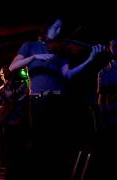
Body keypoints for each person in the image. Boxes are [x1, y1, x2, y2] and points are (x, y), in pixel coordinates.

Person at [8, 17, 106, 179]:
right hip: (40, 101)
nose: (60, 31)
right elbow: (13, 66)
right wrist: (34, 58)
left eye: (61, 28)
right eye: (57, 27)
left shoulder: (60, 50)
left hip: (60, 101)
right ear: (47, 28)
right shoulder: (30, 46)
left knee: (59, 145)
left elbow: (67, 75)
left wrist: (90, 59)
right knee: (41, 145)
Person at [0, 66, 29, 180]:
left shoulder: (22, 85)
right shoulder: (1, 89)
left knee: (20, 148)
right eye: (2, 73)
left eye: (5, 73)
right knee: (9, 149)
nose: (3, 75)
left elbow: (24, 101)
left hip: (19, 120)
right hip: (7, 122)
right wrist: (3, 111)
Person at [95, 39, 117, 179]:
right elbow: (100, 95)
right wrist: (101, 116)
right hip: (109, 116)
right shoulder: (103, 71)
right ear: (109, 49)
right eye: (114, 46)